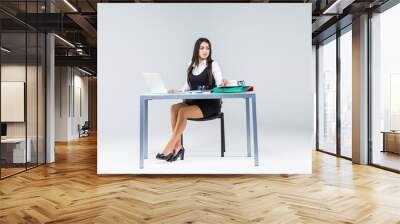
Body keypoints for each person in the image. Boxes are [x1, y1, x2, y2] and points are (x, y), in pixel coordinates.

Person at [156, 37, 228, 162]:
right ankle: (178, 146)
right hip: (193, 102)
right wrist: (176, 90)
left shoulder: (213, 64)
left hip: (209, 104)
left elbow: (219, 81)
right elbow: (187, 86)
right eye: (202, 48)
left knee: (183, 112)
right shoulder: (191, 64)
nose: (205, 51)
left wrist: (223, 83)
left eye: (207, 48)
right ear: (197, 50)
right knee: (174, 108)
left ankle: (169, 147)